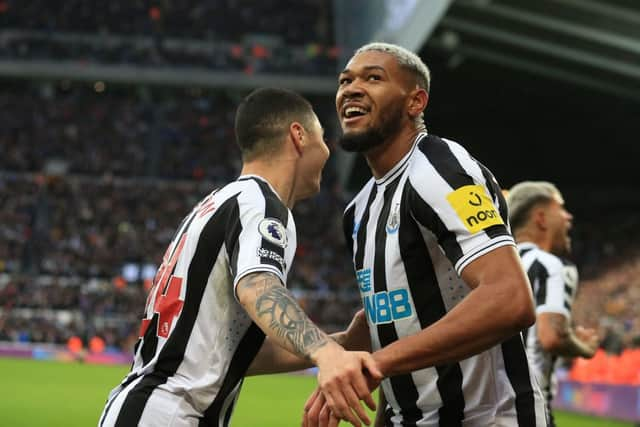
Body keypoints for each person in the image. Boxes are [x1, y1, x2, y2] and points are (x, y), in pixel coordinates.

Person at [98, 87, 381, 427]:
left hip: (151, 409)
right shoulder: (261, 204)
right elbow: (257, 287)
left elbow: (229, 353)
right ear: (298, 136)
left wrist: (341, 343)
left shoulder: (218, 204)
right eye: (322, 138)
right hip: (168, 412)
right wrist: (326, 353)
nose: (327, 151)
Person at [303, 42, 547, 427]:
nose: (350, 88)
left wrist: (374, 364)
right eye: (345, 80)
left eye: (373, 77)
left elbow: (511, 298)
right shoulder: (359, 211)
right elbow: (386, 333)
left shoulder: (439, 169)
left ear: (416, 102)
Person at [506, 181, 599, 427]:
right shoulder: (549, 265)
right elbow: (552, 337)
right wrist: (584, 347)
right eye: (561, 209)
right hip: (531, 408)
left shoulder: (496, 266)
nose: (569, 217)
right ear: (541, 218)